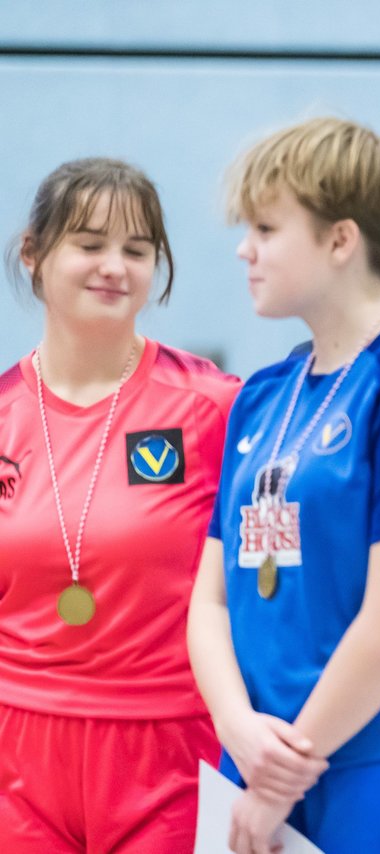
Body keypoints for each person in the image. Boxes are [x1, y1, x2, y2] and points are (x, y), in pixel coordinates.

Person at [187, 117, 380, 854]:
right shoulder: (262, 395)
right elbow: (211, 598)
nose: (244, 249)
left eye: (265, 228)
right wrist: (239, 733)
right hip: (257, 760)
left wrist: (281, 776)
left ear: (341, 240)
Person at [0, 158, 241, 851]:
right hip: (17, 752)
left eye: (137, 250)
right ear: (33, 253)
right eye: (90, 243)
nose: (115, 266)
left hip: (168, 751)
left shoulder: (213, 407)